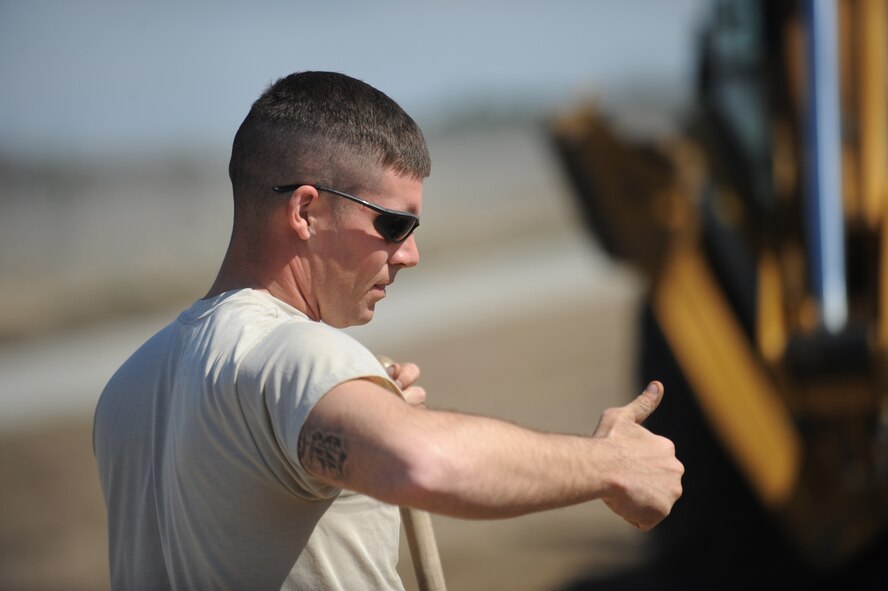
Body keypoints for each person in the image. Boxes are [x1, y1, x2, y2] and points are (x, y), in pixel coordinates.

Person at [93, 71, 683, 591]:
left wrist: (370, 413)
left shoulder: (127, 388)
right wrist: (609, 465)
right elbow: (422, 465)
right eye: (394, 223)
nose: (411, 254)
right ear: (304, 211)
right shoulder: (295, 356)